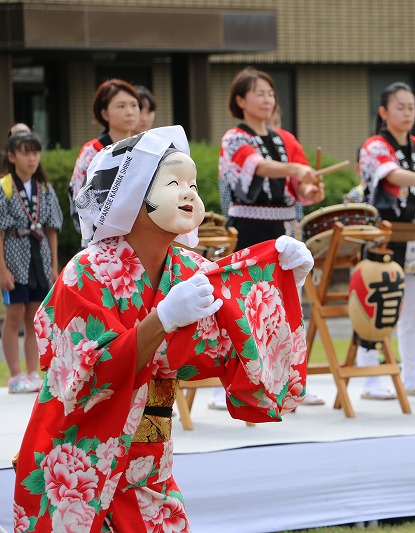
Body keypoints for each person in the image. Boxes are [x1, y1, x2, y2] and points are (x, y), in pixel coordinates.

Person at [12, 126, 312, 531]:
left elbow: (232, 339)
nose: (190, 192)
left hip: (148, 464)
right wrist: (162, 320)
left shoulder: (188, 270)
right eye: (174, 182)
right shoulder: (84, 273)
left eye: (192, 183)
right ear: (131, 195)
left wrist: (284, 284)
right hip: (78, 459)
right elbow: (85, 376)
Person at [216, 67, 325, 407]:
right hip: (248, 229)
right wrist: (295, 170)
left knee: (289, 304)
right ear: (240, 100)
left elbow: (301, 186)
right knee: (245, 305)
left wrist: (310, 188)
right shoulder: (234, 138)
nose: (266, 99)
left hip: (285, 230)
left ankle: (291, 381)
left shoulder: (286, 140)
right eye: (258, 93)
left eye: (270, 93)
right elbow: (256, 166)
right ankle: (236, 384)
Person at [357, 82, 415, 399]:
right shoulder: (374, 146)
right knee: (376, 311)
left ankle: (412, 376)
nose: (408, 112)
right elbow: (391, 175)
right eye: (400, 106)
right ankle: (371, 379)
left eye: (411, 106)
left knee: (412, 314)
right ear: (384, 112)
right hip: (384, 241)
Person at [0, 131, 63, 394]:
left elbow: (51, 229)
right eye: (25, 153)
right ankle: (14, 374)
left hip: (40, 256)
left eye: (35, 152)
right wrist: (2, 269)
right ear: (12, 156)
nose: (32, 158)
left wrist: (54, 265)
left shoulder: (44, 188)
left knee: (35, 317)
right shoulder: (4, 187)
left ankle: (32, 373)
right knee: (14, 315)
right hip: (15, 256)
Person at [69, 79, 140, 234]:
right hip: (100, 239)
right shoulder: (92, 152)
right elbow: (79, 200)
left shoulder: (144, 149)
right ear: (104, 113)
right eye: (121, 106)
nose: (130, 111)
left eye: (134, 105)